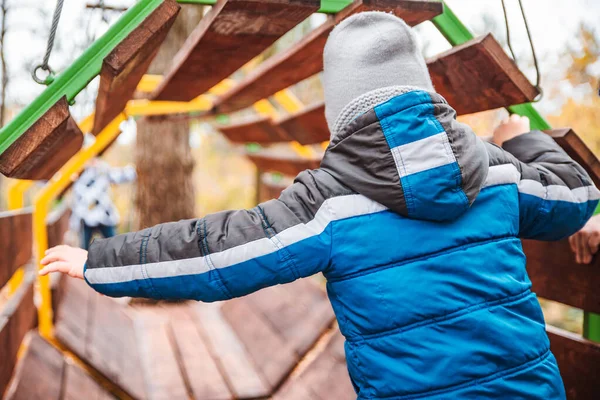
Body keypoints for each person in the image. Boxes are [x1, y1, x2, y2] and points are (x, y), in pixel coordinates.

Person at [39, 12, 599, 399]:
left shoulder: (329, 205)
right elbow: (576, 195)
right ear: (422, 88)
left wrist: (100, 262)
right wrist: (520, 137)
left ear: (342, 110)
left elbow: (218, 254)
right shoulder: (498, 172)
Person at [69, 158, 136, 250]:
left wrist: (133, 170)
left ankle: (118, 262)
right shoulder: (76, 171)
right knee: (84, 249)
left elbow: (120, 176)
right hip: (86, 217)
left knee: (115, 246)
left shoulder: (103, 170)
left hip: (104, 215)